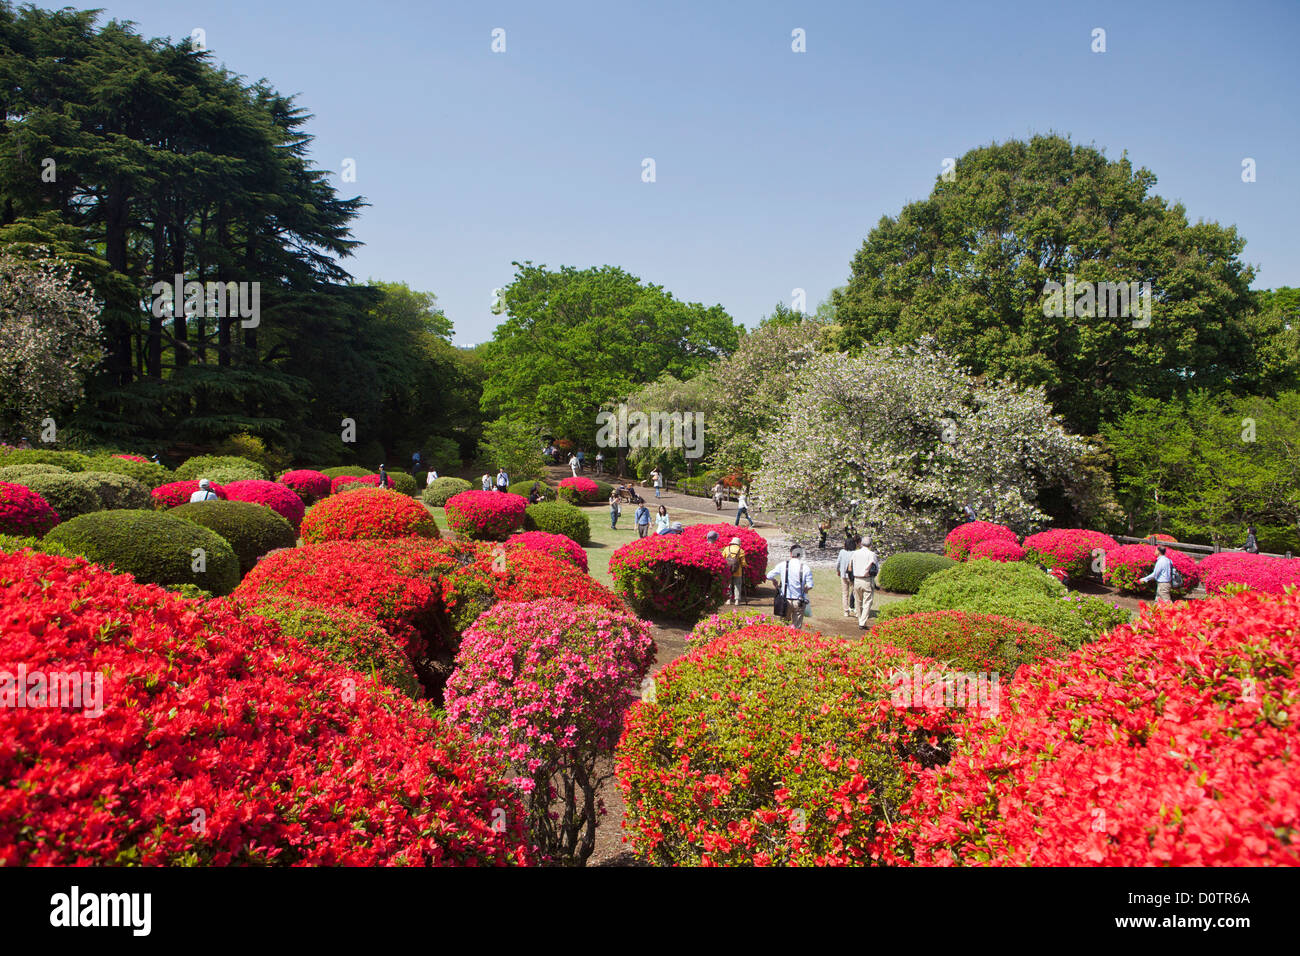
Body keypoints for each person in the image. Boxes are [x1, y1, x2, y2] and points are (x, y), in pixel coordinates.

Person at [767, 545, 814, 630]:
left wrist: (774, 581)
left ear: (791, 554)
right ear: (800, 554)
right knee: (796, 628)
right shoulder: (805, 567)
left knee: (784, 627)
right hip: (799, 601)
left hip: (785, 601)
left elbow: (769, 575)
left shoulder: (783, 565)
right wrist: (805, 590)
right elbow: (810, 585)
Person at [850, 535, 879, 629]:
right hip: (866, 580)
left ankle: (860, 620)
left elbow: (851, 565)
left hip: (856, 579)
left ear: (861, 543)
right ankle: (862, 622)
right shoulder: (872, 554)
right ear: (870, 544)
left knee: (858, 601)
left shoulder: (855, 553)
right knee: (867, 602)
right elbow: (876, 568)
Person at [837, 534, 858, 618]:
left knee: (845, 593)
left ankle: (846, 611)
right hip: (853, 575)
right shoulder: (855, 553)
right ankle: (857, 611)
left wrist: (838, 570)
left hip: (843, 575)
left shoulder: (842, 552)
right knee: (856, 593)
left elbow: (838, 563)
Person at [722, 536, 747, 605]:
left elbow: (722, 558)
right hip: (738, 571)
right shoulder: (741, 550)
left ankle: (728, 600)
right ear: (738, 544)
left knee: (728, 584)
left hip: (728, 571)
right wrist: (745, 566)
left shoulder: (727, 549)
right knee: (737, 585)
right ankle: (737, 600)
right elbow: (743, 563)